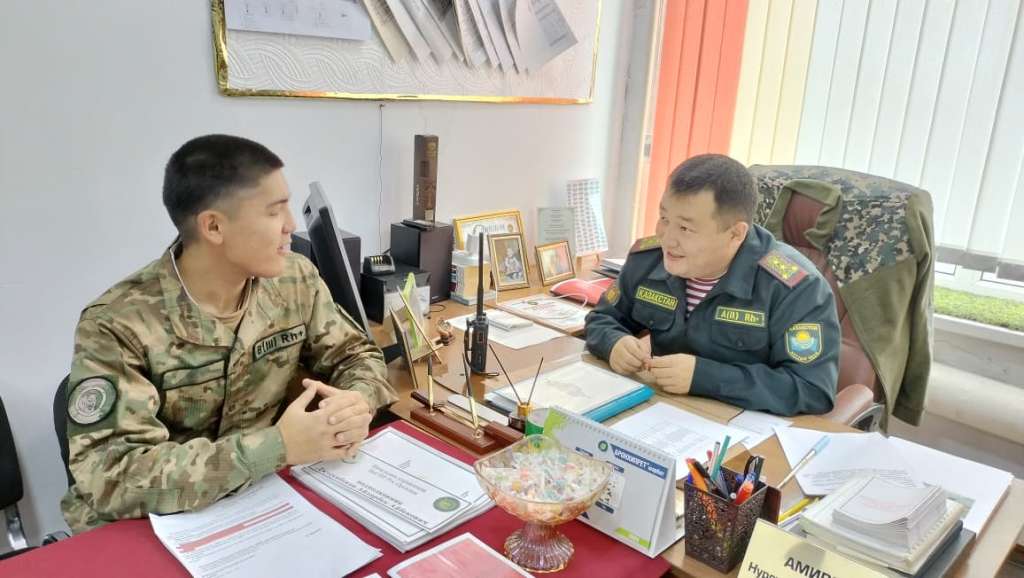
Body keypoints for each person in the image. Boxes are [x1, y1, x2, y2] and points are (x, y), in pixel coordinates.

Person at [62, 134, 397, 533]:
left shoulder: (294, 279)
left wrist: (356, 403)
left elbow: (356, 354)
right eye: (274, 211)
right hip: (150, 524)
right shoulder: (118, 323)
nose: (291, 226)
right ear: (214, 226)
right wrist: (276, 447)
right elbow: (111, 476)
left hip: (259, 501)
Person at [585, 154, 838, 416]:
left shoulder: (797, 288)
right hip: (659, 411)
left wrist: (704, 377)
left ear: (735, 234)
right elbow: (602, 318)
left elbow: (811, 389)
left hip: (741, 426)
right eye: (664, 218)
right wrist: (613, 343)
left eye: (685, 228)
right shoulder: (648, 259)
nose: (668, 239)